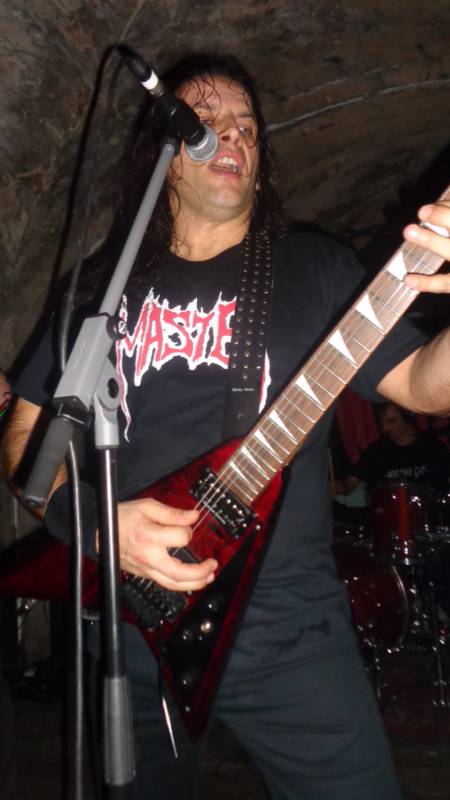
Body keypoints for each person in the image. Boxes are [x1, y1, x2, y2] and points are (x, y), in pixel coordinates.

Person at [1, 52, 450, 800]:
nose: (231, 135)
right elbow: (26, 440)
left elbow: (424, 387)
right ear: (162, 160)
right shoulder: (99, 288)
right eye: (204, 123)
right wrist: (94, 522)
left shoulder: (314, 266)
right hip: (127, 622)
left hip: (290, 630)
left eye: (246, 126)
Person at [333, 402, 450, 494]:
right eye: (381, 423)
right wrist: (340, 487)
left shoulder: (433, 447)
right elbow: (350, 483)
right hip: (389, 515)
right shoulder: (375, 451)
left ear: (408, 418)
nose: (385, 429)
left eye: (391, 421)